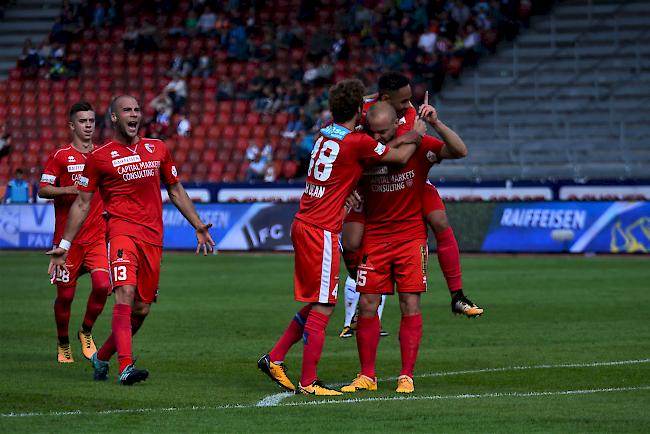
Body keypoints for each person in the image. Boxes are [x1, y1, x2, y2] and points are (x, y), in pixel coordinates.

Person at [257, 79, 424, 396]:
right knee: (324, 306)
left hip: (305, 222)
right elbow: (399, 158)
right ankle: (309, 383)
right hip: (321, 230)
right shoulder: (357, 141)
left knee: (317, 301)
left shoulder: (326, 130)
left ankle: (275, 357)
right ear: (359, 112)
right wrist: (417, 133)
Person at [46, 95, 215, 385]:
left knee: (142, 308)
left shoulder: (157, 148)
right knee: (124, 293)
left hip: (153, 238)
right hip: (121, 233)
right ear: (114, 117)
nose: (133, 114)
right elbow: (82, 204)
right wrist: (64, 245)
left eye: (137, 109)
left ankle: (103, 357)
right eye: (127, 110)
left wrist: (197, 224)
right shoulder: (99, 157)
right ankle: (126, 367)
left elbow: (175, 190)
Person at [340, 74, 482, 343]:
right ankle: (365, 288)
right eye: (404, 100)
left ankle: (457, 294)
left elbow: (409, 153)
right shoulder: (365, 113)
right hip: (371, 183)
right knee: (350, 242)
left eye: (410, 98)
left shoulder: (409, 115)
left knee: (439, 220)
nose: (409, 105)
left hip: (409, 179)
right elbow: (363, 149)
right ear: (385, 100)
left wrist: (432, 124)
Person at [341, 99, 468, 394]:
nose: (377, 138)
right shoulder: (363, 147)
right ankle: (367, 376)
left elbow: (460, 150)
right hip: (374, 236)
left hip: (411, 239)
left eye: (383, 132)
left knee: (409, 304)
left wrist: (435, 123)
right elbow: (339, 175)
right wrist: (347, 193)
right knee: (368, 304)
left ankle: (406, 375)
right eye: (373, 132)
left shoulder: (419, 147)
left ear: (397, 125)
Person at [38, 101, 111, 363]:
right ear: (72, 125)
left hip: (96, 238)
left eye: (91, 121)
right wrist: (69, 190)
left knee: (103, 285)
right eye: (83, 121)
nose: (88, 125)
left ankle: (86, 331)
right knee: (65, 296)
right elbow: (43, 189)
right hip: (67, 241)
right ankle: (63, 343)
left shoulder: (103, 155)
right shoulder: (60, 156)